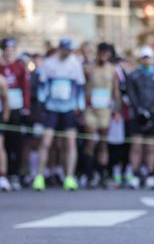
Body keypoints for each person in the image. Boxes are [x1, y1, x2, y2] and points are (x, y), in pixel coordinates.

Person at [34, 38, 86, 191]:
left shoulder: (75, 63)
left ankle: (69, 177)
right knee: (46, 142)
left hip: (69, 109)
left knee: (70, 143)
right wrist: (42, 103)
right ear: (61, 49)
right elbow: (42, 86)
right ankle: (39, 176)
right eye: (67, 49)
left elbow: (80, 88)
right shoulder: (49, 63)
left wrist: (80, 108)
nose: (69, 52)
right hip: (52, 108)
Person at [125, 46, 154, 190]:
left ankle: (150, 174)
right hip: (137, 115)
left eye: (149, 57)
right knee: (136, 146)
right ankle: (135, 174)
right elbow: (131, 94)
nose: (146, 60)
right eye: (144, 57)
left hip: (152, 116)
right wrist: (140, 110)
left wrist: (151, 110)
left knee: (150, 147)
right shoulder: (134, 75)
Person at [82, 43, 121, 189]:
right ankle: (89, 174)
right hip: (91, 109)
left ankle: (102, 174)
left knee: (103, 144)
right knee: (90, 142)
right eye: (102, 52)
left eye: (107, 53)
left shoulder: (112, 70)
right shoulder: (89, 68)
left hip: (105, 110)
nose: (104, 55)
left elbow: (116, 91)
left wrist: (117, 110)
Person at [0, 38, 31, 191]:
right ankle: (4, 174)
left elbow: (25, 87)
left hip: (16, 108)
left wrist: (26, 107)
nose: (9, 51)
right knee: (2, 142)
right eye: (7, 48)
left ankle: (15, 174)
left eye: (12, 48)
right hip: (2, 108)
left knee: (16, 142)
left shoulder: (19, 66)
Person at [0, 72, 11, 191]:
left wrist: (5, 117)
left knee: (0, 146)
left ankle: (3, 176)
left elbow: (6, 99)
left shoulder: (1, 80)